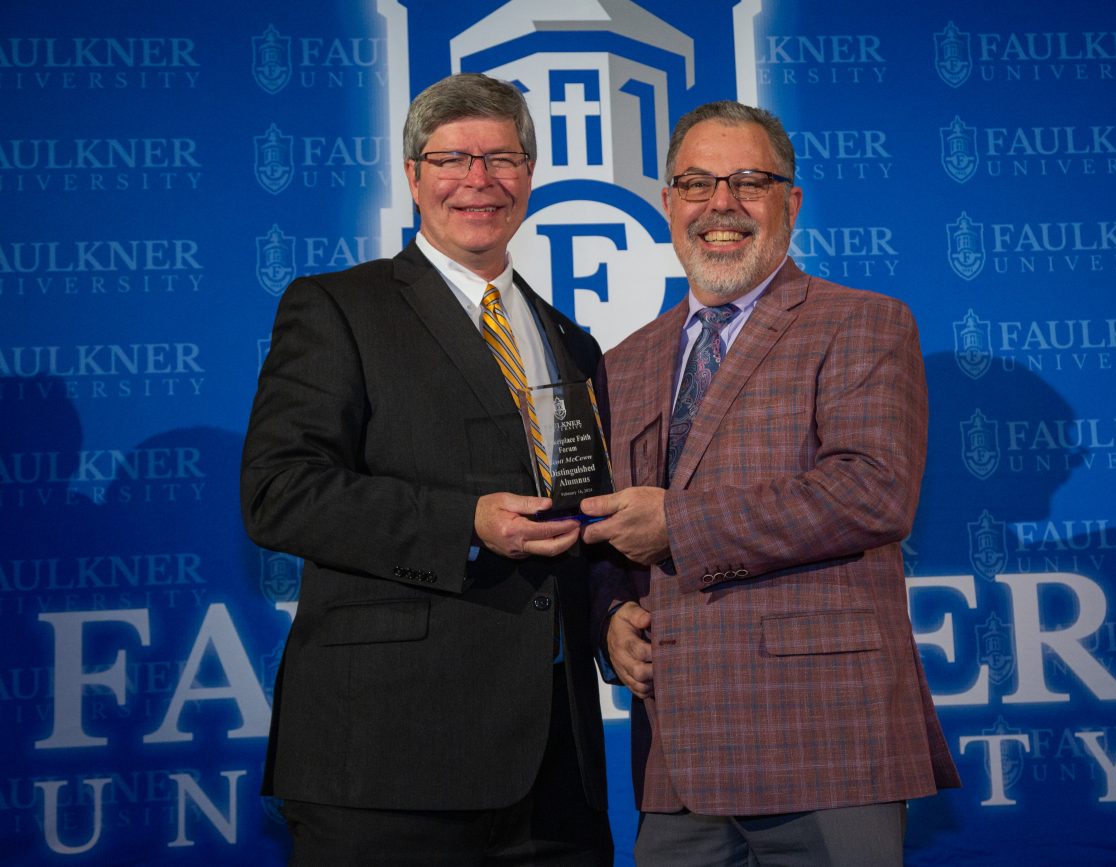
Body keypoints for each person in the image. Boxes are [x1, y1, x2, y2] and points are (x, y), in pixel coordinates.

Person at [241, 72, 612, 865]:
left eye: (502, 159)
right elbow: (279, 491)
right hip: (387, 760)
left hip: (554, 766)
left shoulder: (570, 342)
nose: (479, 181)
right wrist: (465, 522)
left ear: (531, 176)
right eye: (452, 159)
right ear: (413, 177)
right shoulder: (338, 307)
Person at [581, 101, 960, 866]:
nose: (720, 204)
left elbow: (872, 489)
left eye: (748, 181)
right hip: (676, 757)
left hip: (825, 742)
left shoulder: (863, 322)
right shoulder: (622, 362)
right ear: (667, 204)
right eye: (696, 182)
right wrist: (609, 613)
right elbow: (608, 521)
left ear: (791, 201)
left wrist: (680, 527)